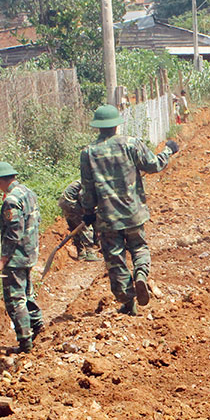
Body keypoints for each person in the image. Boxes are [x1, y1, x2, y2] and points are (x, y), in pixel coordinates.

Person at [79, 104, 178, 316]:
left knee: (115, 259)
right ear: (116, 125)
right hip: (133, 213)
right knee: (139, 247)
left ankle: (127, 301)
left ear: (98, 127)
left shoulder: (88, 153)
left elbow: (87, 188)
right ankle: (141, 275)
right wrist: (169, 150)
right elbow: (153, 165)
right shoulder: (130, 144)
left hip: (107, 218)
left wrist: (87, 211)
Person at [0, 161, 42, 353]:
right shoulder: (28, 193)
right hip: (30, 253)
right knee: (28, 294)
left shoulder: (11, 200)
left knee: (16, 299)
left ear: (0, 180)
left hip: (17, 257)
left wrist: (3, 260)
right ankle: (38, 329)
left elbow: (14, 233)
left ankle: (25, 343)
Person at [57, 180, 99, 261]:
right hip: (71, 203)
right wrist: (88, 212)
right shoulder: (88, 183)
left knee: (74, 227)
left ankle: (80, 253)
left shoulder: (86, 181)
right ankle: (90, 253)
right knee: (85, 225)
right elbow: (83, 197)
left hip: (65, 202)